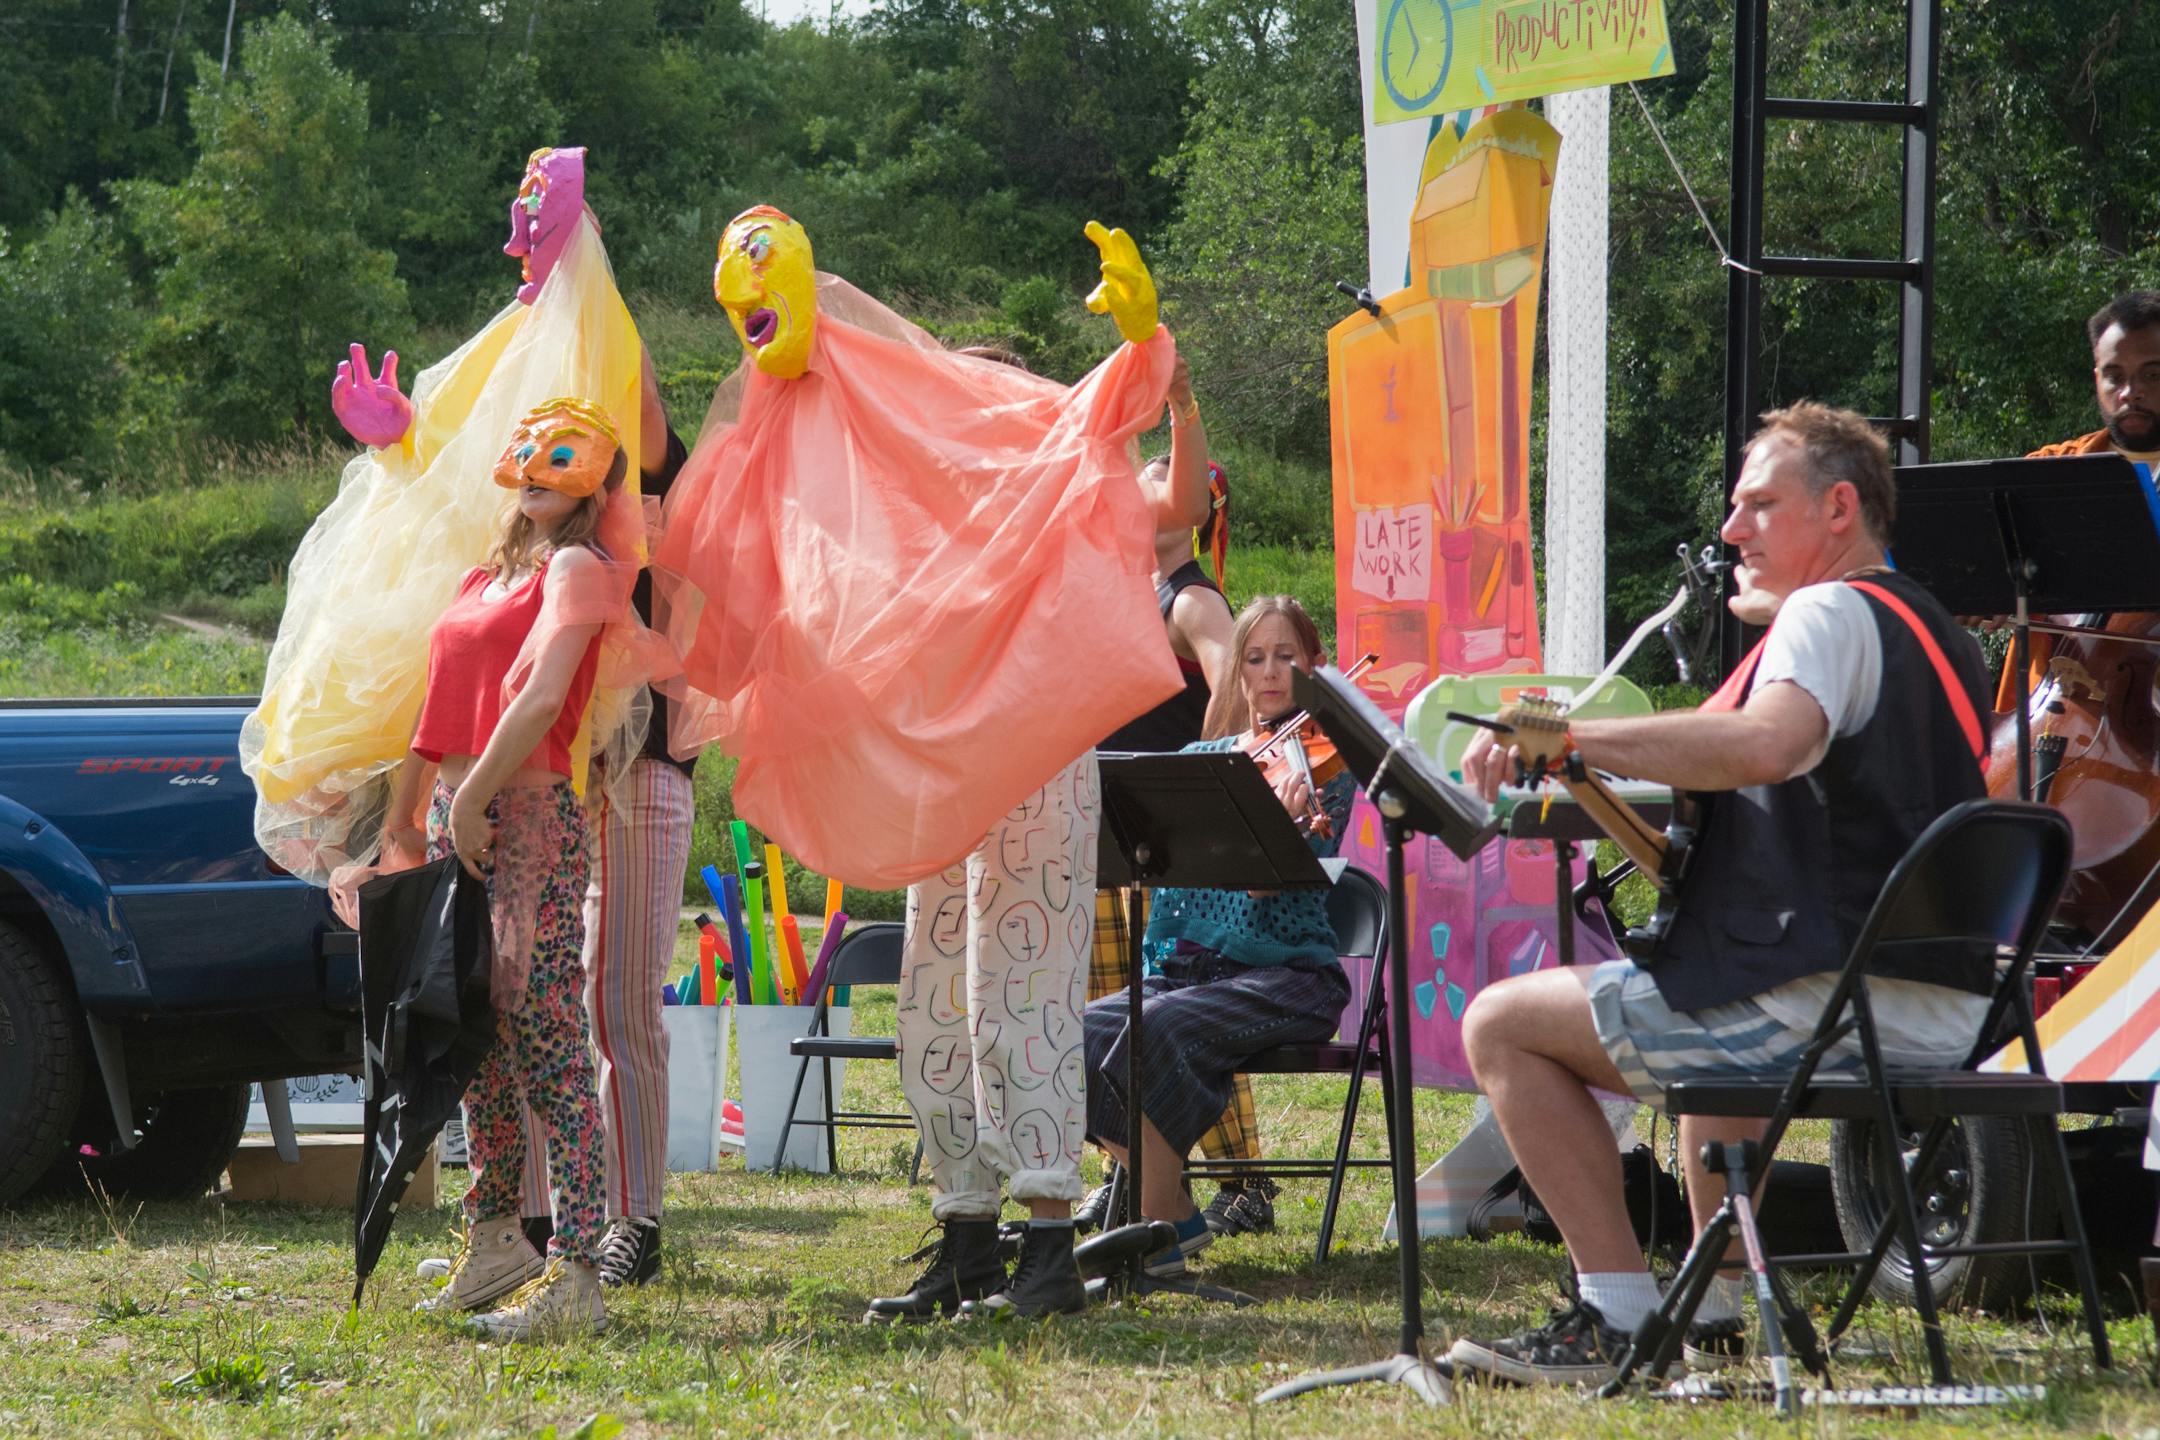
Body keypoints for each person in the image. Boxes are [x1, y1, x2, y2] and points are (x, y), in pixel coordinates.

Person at [649, 209, 1207, 1321]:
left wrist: (1168, 372)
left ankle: (1048, 1243)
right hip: (938, 775)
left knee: (1020, 998)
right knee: (934, 1003)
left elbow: (1174, 501)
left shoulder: (1063, 481)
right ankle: (967, 1235)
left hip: (1037, 765)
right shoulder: (914, 520)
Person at [1446, 402, 1991, 1387]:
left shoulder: (1826, 613)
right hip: (1942, 1009)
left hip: (1825, 1006)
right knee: (1705, 960)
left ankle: (1615, 1315)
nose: (1733, 530)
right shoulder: (1937, 630)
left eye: (1759, 505)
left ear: (1838, 509)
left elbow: (1765, 744)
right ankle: (1714, 1312)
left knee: (1502, 1023)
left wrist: (1566, 738)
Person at [384, 397, 664, 1341]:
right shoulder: (486, 574)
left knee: (547, 1039)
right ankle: (497, 1233)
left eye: (564, 461)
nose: (539, 474)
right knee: (476, 1036)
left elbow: (544, 697)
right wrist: (405, 821)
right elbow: (434, 708)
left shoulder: (580, 570)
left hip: (530, 821)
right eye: (530, 458)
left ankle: (578, 1269)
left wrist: (470, 802)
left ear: (595, 484)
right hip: (460, 816)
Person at [1080, 595, 1358, 1279]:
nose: (1270, 672)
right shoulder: (1201, 761)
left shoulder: (1324, 768)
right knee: (1071, 1033)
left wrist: (1278, 824)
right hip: (1194, 973)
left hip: (1288, 978)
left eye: (1286, 657)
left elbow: (1263, 892)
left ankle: (1152, 1242)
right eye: (1255, 658)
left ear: (1315, 666)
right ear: (1238, 674)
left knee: (1156, 1029)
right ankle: (1174, 1216)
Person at [1086, 418, 1280, 1237]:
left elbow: (1234, 679)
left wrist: (1202, 770)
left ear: (1191, 509)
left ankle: (1243, 1181)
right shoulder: (1138, 593)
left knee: (1173, 1009)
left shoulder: (1192, 597)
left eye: (1158, 487)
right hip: (1125, 831)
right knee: (1122, 1011)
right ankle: (1135, 1176)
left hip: (1162, 844)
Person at [1988, 289, 2160, 710]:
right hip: (2050, 714)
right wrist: (1977, 594)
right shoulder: (2049, 470)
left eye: (2153, 375)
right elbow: (1976, 567)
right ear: (2096, 378)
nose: (2130, 392)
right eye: (2114, 376)